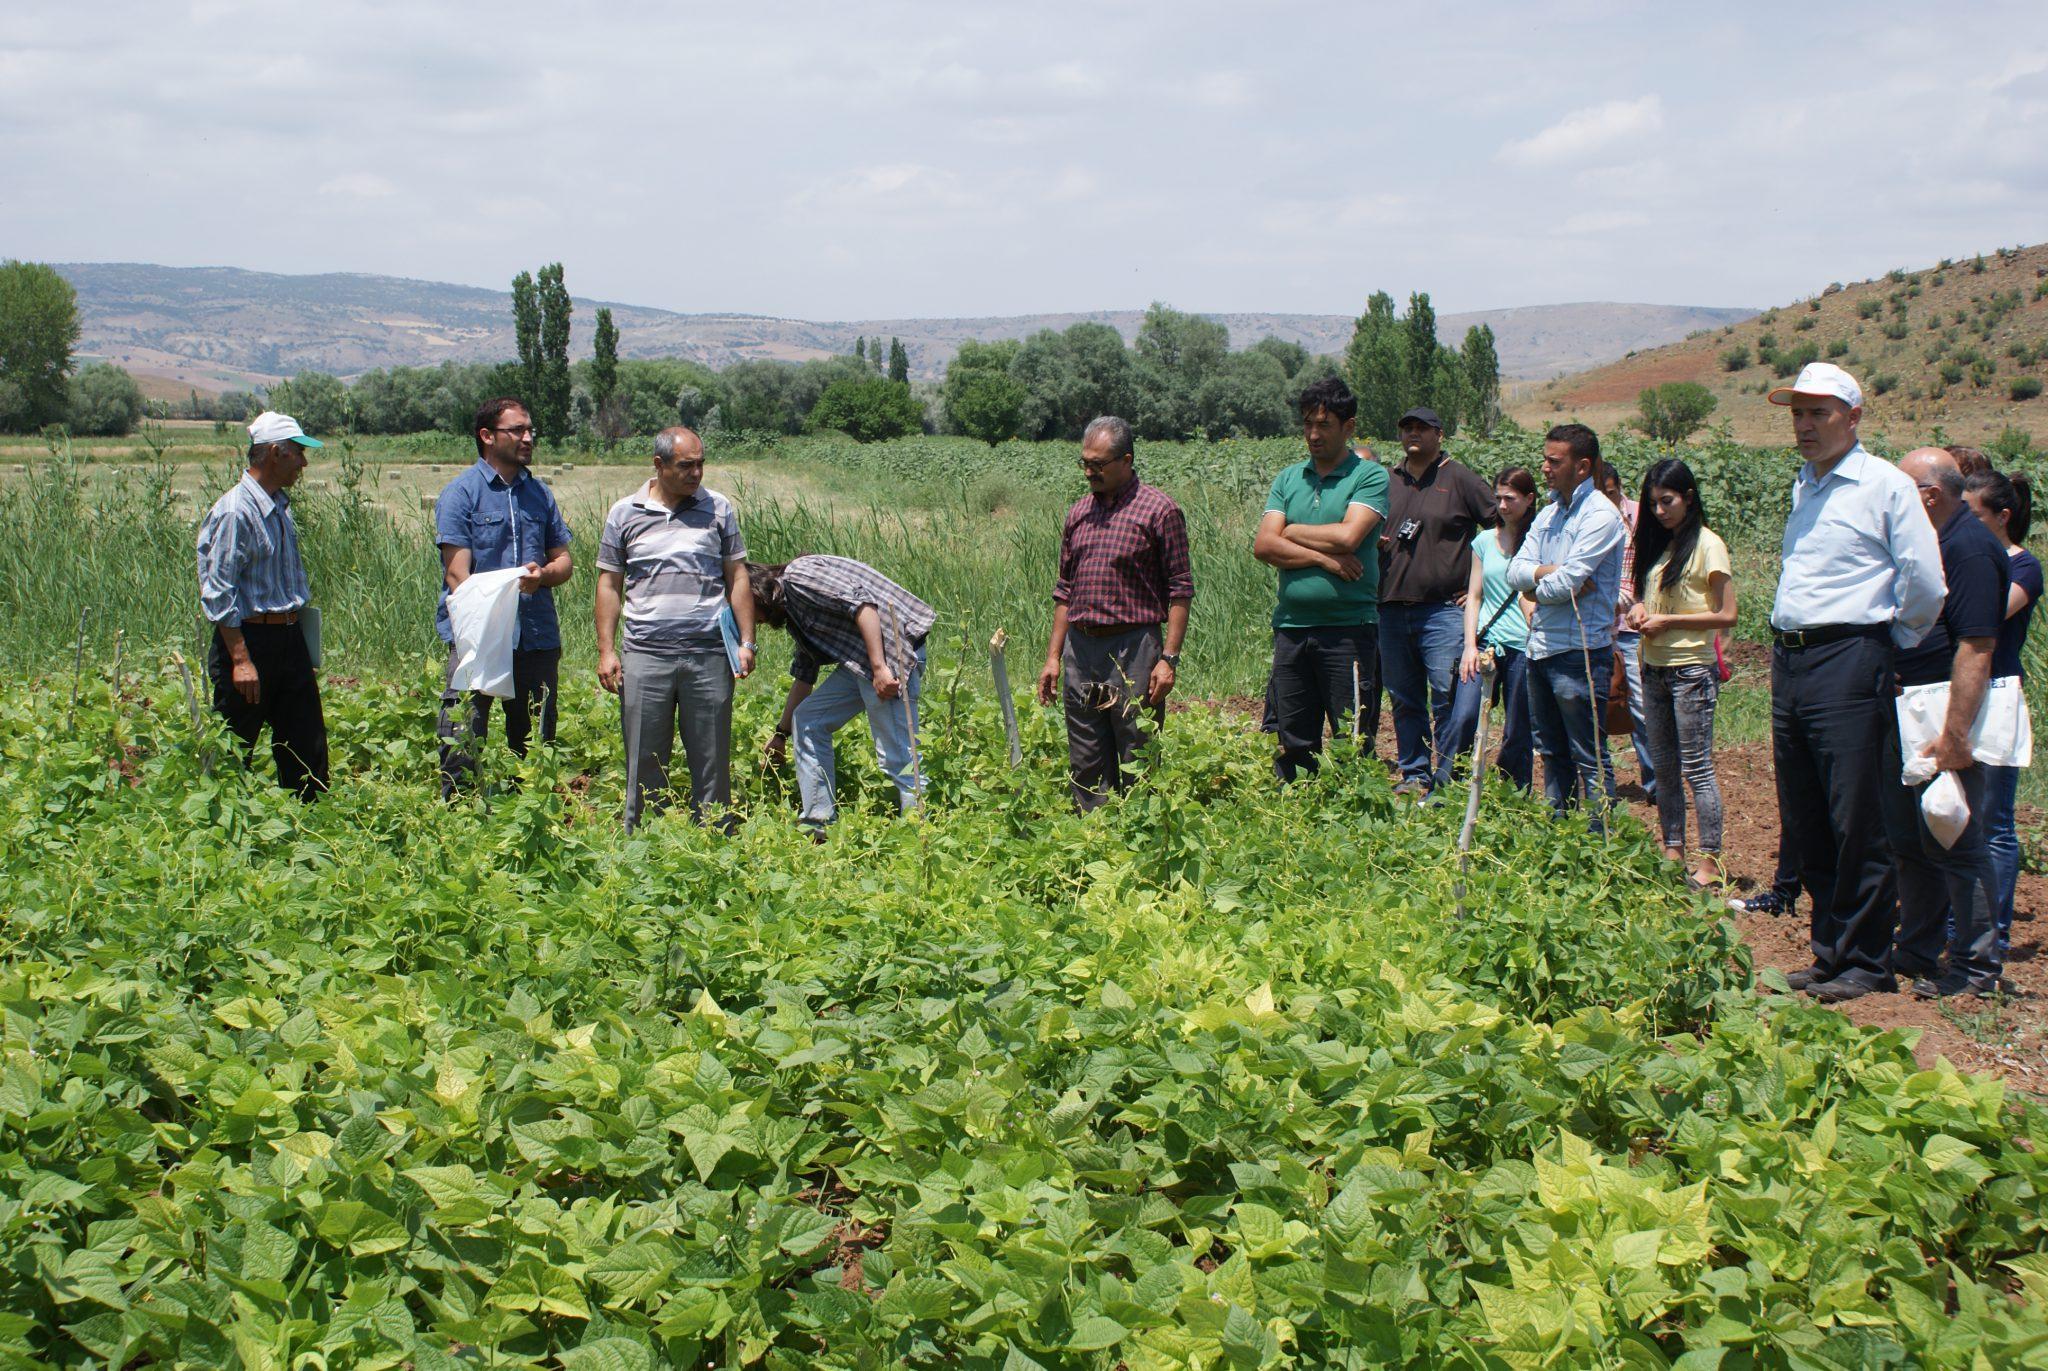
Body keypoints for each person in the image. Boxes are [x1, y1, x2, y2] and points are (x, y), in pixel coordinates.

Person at [1766, 363, 1944, 1003]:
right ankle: (1830, 953)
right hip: (1792, 661)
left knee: (1855, 814)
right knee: (1807, 812)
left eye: (1819, 413)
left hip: (1849, 657)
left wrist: (1887, 643)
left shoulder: (1885, 486)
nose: (1805, 425)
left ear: (1853, 417)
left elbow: (1924, 581)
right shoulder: (1807, 487)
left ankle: (1868, 959)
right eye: (1798, 413)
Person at [1883, 447, 2007, 998]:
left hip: (1944, 714)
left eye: (1901, 490)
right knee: (1915, 839)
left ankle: (1975, 968)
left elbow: (1977, 646)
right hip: (1914, 707)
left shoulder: (1971, 549)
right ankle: (1918, 947)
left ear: (1929, 495)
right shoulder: (1934, 541)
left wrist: (1955, 736)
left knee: (1955, 837)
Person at [594, 427, 755, 831]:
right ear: (659, 465)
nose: (697, 473)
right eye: (687, 465)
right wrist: (607, 650)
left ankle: (715, 839)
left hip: (708, 655)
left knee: (712, 758)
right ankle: (647, 842)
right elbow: (609, 584)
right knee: (644, 758)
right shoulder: (624, 513)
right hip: (646, 655)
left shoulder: (718, 509)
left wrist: (746, 641)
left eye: (701, 463)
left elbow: (737, 576)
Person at [1036, 415, 1194, 811]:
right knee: (1086, 756)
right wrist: (1053, 657)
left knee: (1137, 749)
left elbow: (1180, 590)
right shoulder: (1078, 514)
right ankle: (1095, 837)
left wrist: (1168, 660)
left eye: (1098, 465)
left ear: (1126, 460)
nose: (1089, 472)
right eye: (1084, 463)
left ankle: (1141, 835)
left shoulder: (1160, 511)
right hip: (1081, 648)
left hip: (1134, 648)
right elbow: (1064, 591)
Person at [434, 397, 574, 796]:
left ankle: (526, 812)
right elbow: (458, 575)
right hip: (476, 636)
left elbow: (563, 562)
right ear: (487, 436)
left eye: (530, 430)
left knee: (533, 739)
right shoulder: (461, 494)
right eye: (517, 431)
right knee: (463, 730)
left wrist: (542, 576)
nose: (528, 438)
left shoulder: (540, 495)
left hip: (534, 634)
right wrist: (500, 599)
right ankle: (460, 811)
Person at [1252, 376, 1388, 781]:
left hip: (1348, 630)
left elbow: (1350, 535)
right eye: (1307, 423)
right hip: (1292, 631)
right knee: (1292, 740)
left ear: (1348, 427)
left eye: (1323, 425)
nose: (1313, 434)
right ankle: (1297, 821)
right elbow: (1263, 546)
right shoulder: (1289, 478)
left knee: (1352, 739)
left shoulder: (1369, 477)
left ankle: (1352, 825)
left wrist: (1290, 532)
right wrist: (1325, 560)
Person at [195, 410, 329, 801]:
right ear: (274, 453)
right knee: (236, 745)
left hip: (289, 638)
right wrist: (241, 660)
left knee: (306, 744)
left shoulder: (278, 506)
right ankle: (225, 832)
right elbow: (219, 591)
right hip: (249, 640)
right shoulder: (237, 511)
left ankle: (310, 827)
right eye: (298, 454)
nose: (304, 464)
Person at [756, 555, 935, 829]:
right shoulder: (794, 615)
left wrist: (879, 667)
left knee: (898, 755)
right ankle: (819, 825)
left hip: (891, 654)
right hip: (864, 663)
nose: (751, 622)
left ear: (756, 594)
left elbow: (862, 604)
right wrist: (781, 734)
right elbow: (805, 677)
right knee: (807, 719)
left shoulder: (798, 575)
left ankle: (920, 837)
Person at [1508, 424, 1626, 829]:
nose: (1544, 468)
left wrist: (1540, 584)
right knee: (1552, 753)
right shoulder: (1548, 513)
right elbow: (1514, 571)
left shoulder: (1601, 517)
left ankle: (1599, 846)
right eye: (1545, 459)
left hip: (1579, 653)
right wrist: (1549, 573)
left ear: (1582, 466)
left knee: (1588, 756)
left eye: (1554, 461)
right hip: (1540, 647)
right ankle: (1558, 837)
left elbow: (1565, 583)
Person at [1626, 459, 1736, 889]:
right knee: (1665, 768)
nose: (1658, 511)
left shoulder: (1708, 545)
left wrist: (1667, 623)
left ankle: (1710, 861)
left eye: (1666, 501)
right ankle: (1673, 850)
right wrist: (1638, 610)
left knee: (1697, 767)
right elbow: (1645, 598)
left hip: (1691, 671)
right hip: (1652, 668)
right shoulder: (1661, 547)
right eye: (1652, 503)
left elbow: (1726, 614)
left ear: (1689, 498)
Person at [1378, 406, 1497, 796]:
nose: (1413, 434)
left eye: (1422, 428)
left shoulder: (1459, 478)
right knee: (1404, 698)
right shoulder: (1387, 481)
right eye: (1407, 427)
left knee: (1445, 697)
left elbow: (1502, 526)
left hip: (1444, 610)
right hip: (1392, 607)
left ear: (1439, 434)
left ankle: (1449, 779)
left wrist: (1480, 587)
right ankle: (1414, 774)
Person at [1963, 468, 2038, 955]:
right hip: (1960, 693)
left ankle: (1995, 932)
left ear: (2002, 516)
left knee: (1993, 822)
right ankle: (1962, 925)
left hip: (1997, 694)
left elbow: (1984, 615)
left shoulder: (2023, 567)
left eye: (1974, 515)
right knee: (1957, 816)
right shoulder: (1971, 560)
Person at [1451, 465, 1538, 791]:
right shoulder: (1484, 540)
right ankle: (1448, 787)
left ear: (1529, 499)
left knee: (1518, 728)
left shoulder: (1538, 542)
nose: (1502, 506)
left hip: (1524, 645)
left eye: (1510, 498)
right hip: (1487, 641)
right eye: (1498, 498)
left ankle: (1512, 792)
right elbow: (1474, 596)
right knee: (1463, 716)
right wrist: (1470, 646)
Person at [1599, 461, 1657, 802]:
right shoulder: (1589, 521)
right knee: (1601, 704)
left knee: (1641, 708)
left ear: (1619, 488)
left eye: (1610, 492)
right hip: (1599, 627)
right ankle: (1600, 785)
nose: (1606, 500)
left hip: (1633, 624)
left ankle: (1655, 784)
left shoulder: (1639, 517)